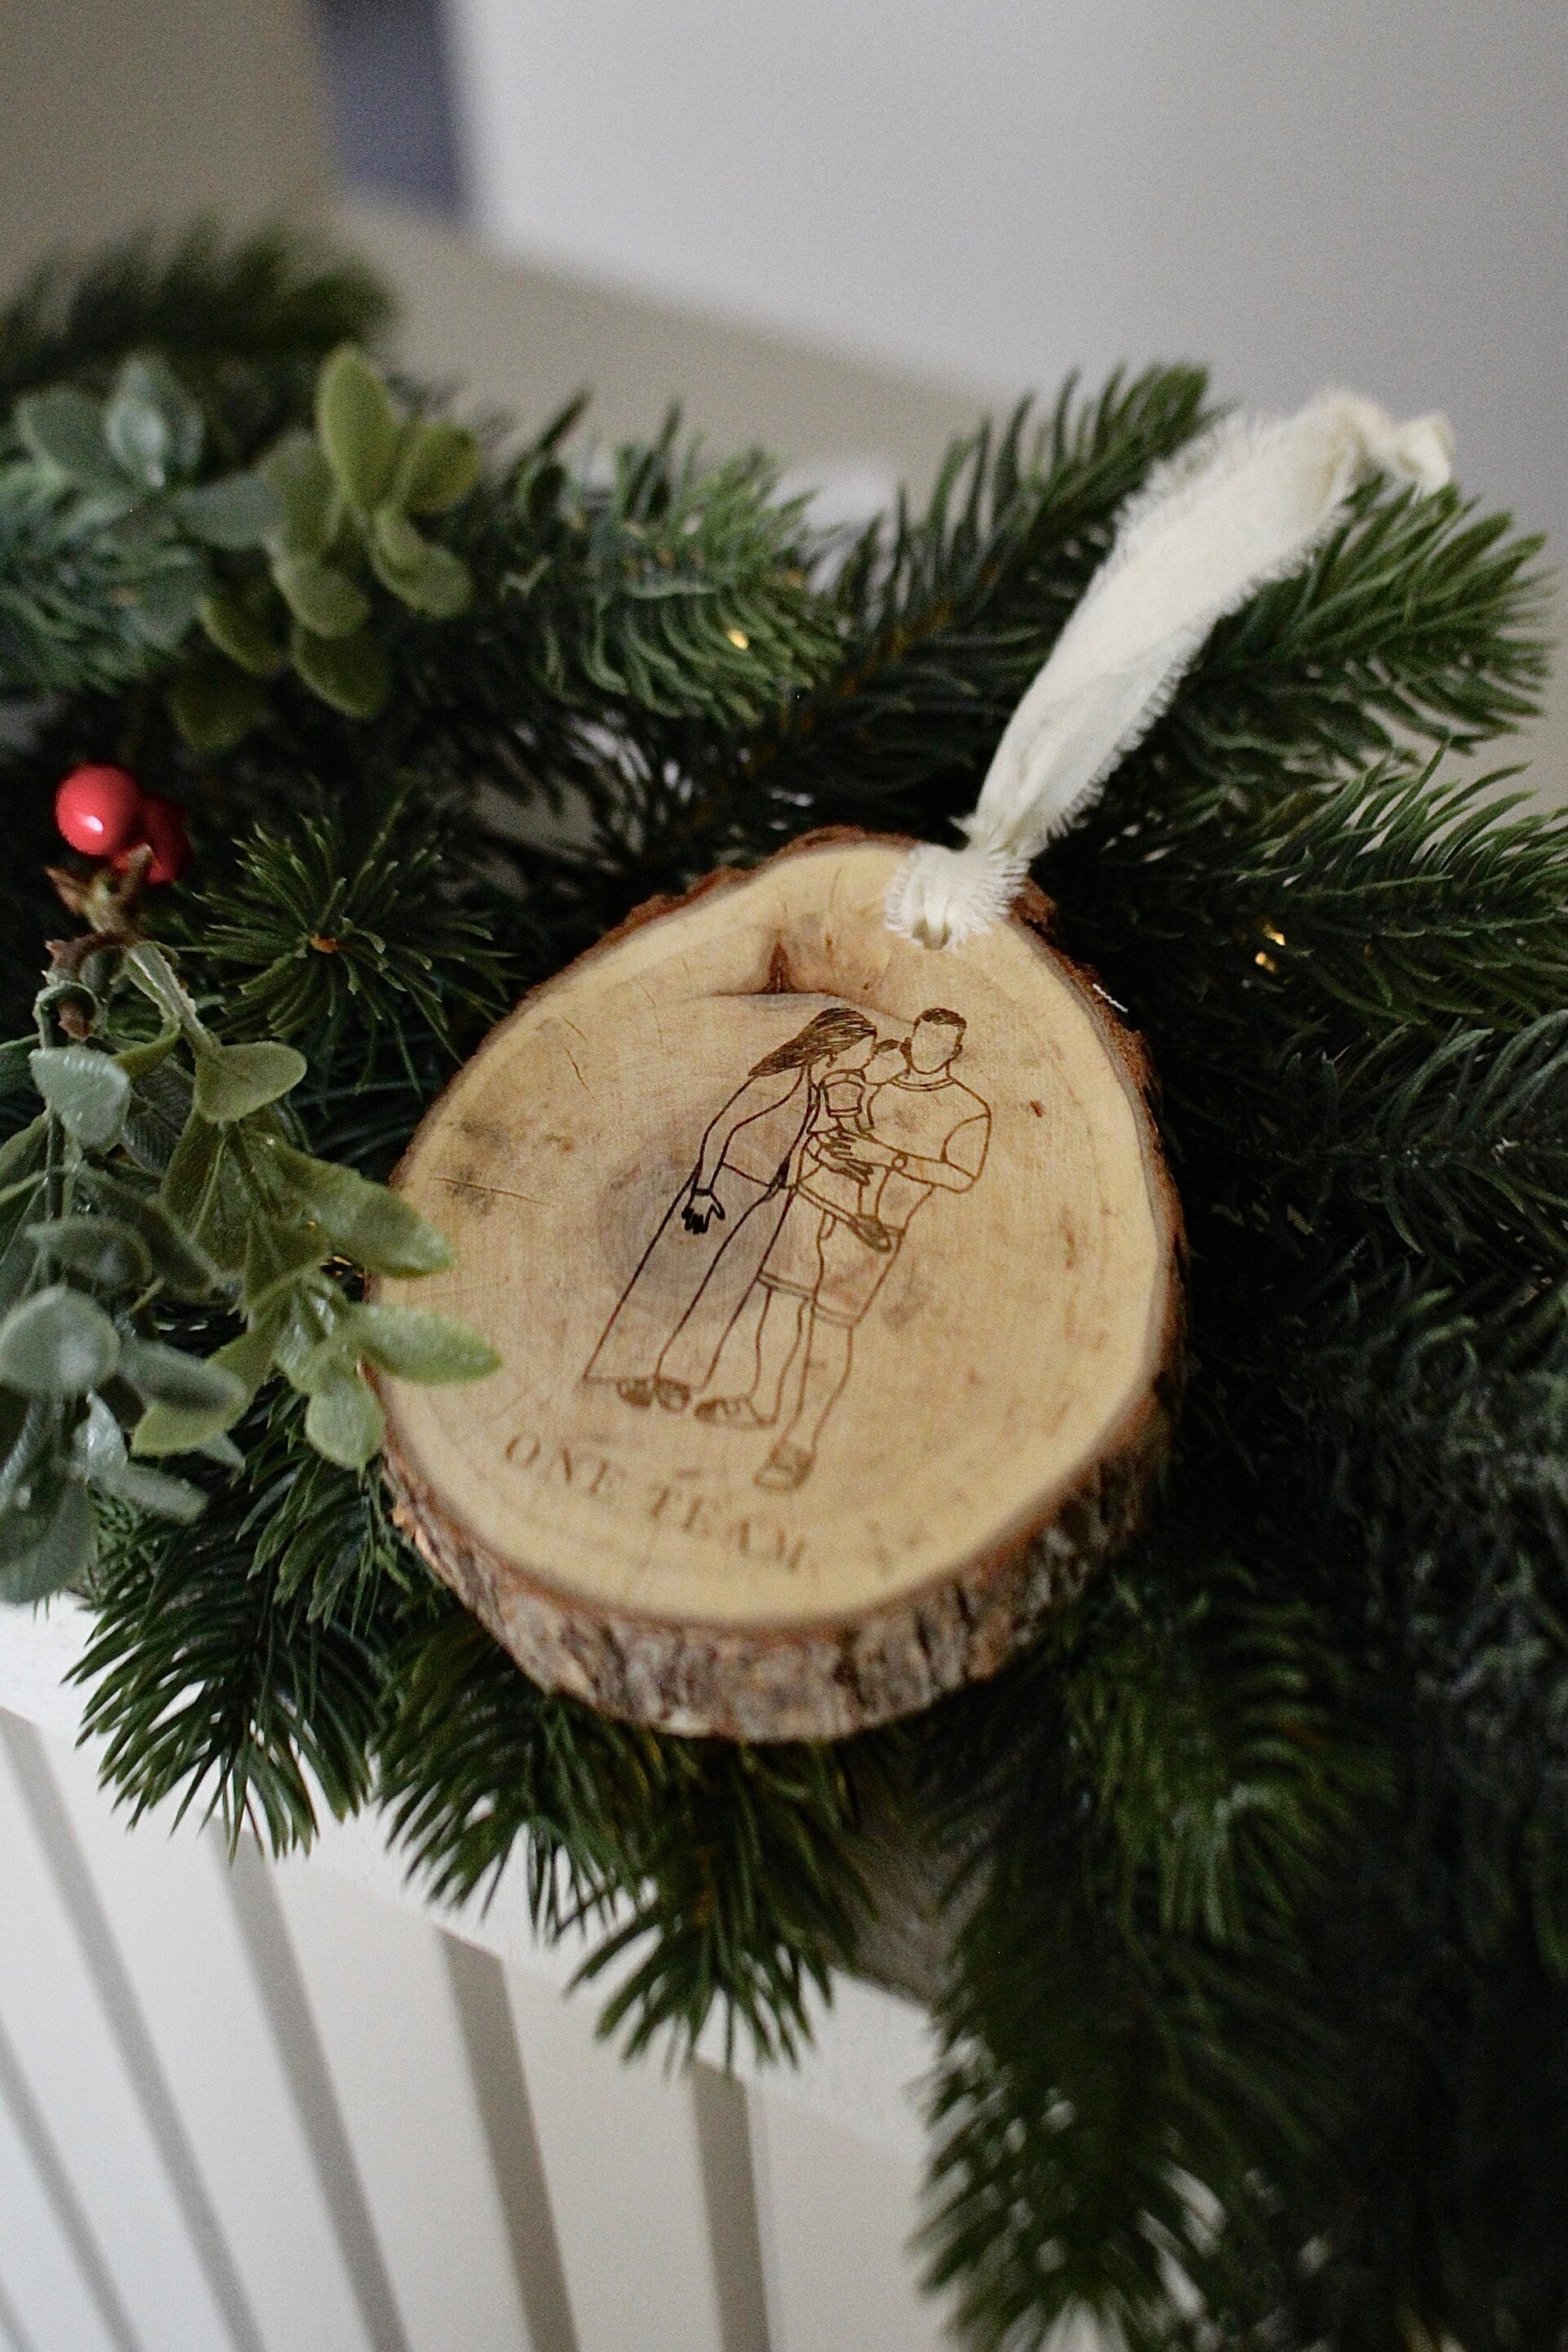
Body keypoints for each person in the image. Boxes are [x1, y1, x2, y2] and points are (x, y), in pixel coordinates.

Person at [697, 1008, 990, 1490]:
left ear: (954, 1052)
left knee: (829, 1330)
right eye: (921, 1038)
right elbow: (827, 1130)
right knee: (779, 1305)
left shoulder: (968, 1110)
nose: (924, 1049)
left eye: (938, 1045)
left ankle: (800, 1442)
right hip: (813, 1202)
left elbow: (961, 1176)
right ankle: (760, 1400)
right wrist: (821, 1151)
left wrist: (889, 1158)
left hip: (871, 1229)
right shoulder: (875, 1084)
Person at [582, 1006, 877, 1410]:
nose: (868, 1060)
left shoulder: (814, 1089)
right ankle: (628, 1368)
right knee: (673, 1276)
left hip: (758, 1196)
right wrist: (703, 1191)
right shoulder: (782, 1079)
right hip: (724, 1187)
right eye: (864, 1051)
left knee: (720, 1287)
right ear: (835, 1050)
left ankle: (675, 1375)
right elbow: (720, 1130)